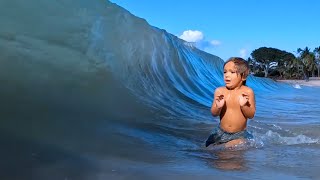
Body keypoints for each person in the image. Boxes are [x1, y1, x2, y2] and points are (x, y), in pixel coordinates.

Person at [205, 57, 256, 148]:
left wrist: (244, 106)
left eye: (232, 72)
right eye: (225, 72)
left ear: (243, 76)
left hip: (239, 134)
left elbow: (251, 115)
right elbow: (214, 113)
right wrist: (218, 107)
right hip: (221, 132)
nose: (227, 75)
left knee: (228, 149)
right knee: (207, 150)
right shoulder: (220, 91)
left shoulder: (247, 92)